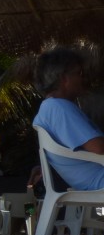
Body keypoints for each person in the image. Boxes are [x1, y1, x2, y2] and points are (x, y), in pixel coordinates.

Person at [31, 46, 104, 190]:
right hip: (99, 181)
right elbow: (98, 147)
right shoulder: (60, 108)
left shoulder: (48, 108)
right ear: (64, 78)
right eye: (79, 73)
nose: (82, 78)